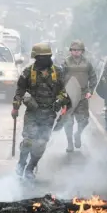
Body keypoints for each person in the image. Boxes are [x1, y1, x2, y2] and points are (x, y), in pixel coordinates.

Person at [12, 43, 70, 179]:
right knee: (28, 141)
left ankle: (30, 168)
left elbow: (63, 92)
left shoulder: (58, 72)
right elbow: (19, 91)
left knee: (41, 144)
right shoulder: (28, 72)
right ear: (35, 58)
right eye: (40, 57)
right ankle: (21, 163)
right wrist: (15, 107)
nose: (43, 59)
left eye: (46, 57)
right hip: (33, 113)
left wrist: (62, 104)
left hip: (49, 114)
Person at [61, 40, 98, 152]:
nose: (76, 52)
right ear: (71, 51)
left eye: (78, 50)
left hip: (82, 95)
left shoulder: (87, 63)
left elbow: (93, 77)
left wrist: (90, 91)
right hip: (69, 96)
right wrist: (62, 92)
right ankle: (70, 143)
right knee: (68, 121)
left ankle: (78, 134)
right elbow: (60, 78)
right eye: (74, 50)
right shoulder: (66, 63)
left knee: (84, 120)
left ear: (82, 51)